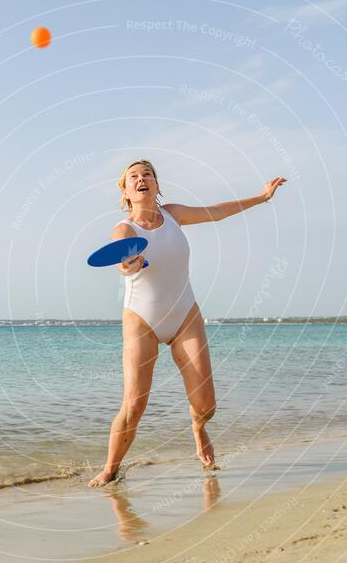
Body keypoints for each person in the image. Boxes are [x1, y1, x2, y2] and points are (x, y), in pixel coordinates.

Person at [88, 160, 287, 487]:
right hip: (142, 319)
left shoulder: (174, 214)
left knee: (206, 405)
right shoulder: (124, 229)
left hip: (184, 315)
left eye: (147, 174)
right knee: (135, 404)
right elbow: (122, 262)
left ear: (156, 184)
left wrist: (261, 198)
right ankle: (111, 468)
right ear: (125, 192)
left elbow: (216, 211)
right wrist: (130, 265)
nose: (142, 179)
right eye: (134, 177)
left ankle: (198, 428)